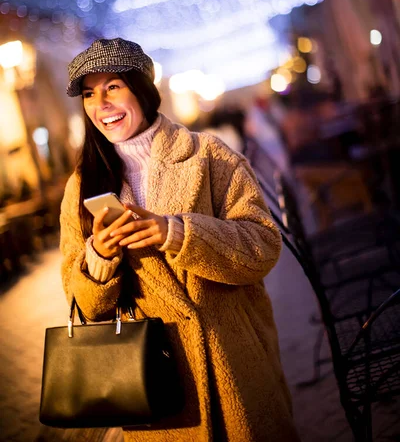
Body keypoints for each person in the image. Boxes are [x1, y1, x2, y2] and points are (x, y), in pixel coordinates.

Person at [60, 37, 300, 442]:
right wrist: (99, 257)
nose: (100, 104)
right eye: (88, 94)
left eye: (113, 86)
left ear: (143, 88)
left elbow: (262, 246)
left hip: (235, 366)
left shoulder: (208, 155)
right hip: (155, 390)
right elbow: (81, 301)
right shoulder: (82, 186)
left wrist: (176, 232)